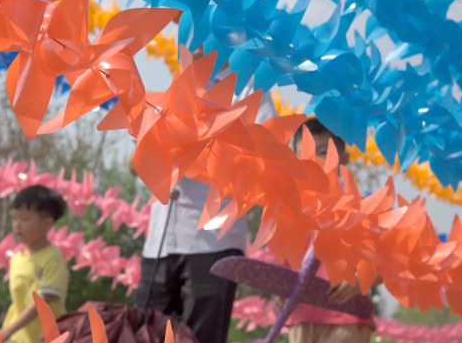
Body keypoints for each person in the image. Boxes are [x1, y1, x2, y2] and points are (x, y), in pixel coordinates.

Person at [133, 58, 277, 343]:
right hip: (160, 244)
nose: (192, 40)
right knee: (144, 335)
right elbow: (135, 162)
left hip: (212, 240)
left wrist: (205, 146)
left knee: (201, 337)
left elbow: (267, 153)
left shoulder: (247, 85)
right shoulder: (177, 85)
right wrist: (158, 145)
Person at [284, 117, 381, 343]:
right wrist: (279, 292)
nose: (314, 161)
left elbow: (384, 266)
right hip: (300, 318)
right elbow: (284, 264)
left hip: (346, 318)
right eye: (304, 154)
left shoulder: (361, 208)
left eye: (321, 152)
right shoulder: (289, 208)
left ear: (344, 159)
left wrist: (360, 281)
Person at [0, 185, 70, 343]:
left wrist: (8, 331)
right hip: (16, 339)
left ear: (47, 224)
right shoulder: (16, 258)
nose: (17, 224)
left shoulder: (52, 257)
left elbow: (43, 300)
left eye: (25, 219)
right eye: (15, 218)